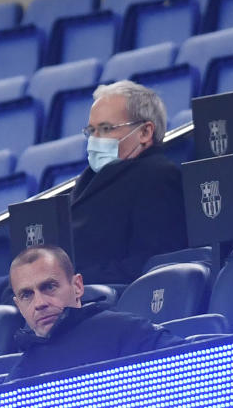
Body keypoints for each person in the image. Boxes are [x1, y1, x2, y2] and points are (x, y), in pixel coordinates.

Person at [6, 245, 181, 381]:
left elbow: (189, 371)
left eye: (49, 287)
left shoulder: (126, 331)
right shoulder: (21, 373)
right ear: (18, 305)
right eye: (27, 295)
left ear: (77, 286)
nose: (40, 303)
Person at [71, 80, 188, 284]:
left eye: (106, 128)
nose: (95, 139)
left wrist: (73, 282)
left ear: (145, 132)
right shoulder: (88, 180)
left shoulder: (157, 176)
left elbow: (149, 262)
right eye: (92, 130)